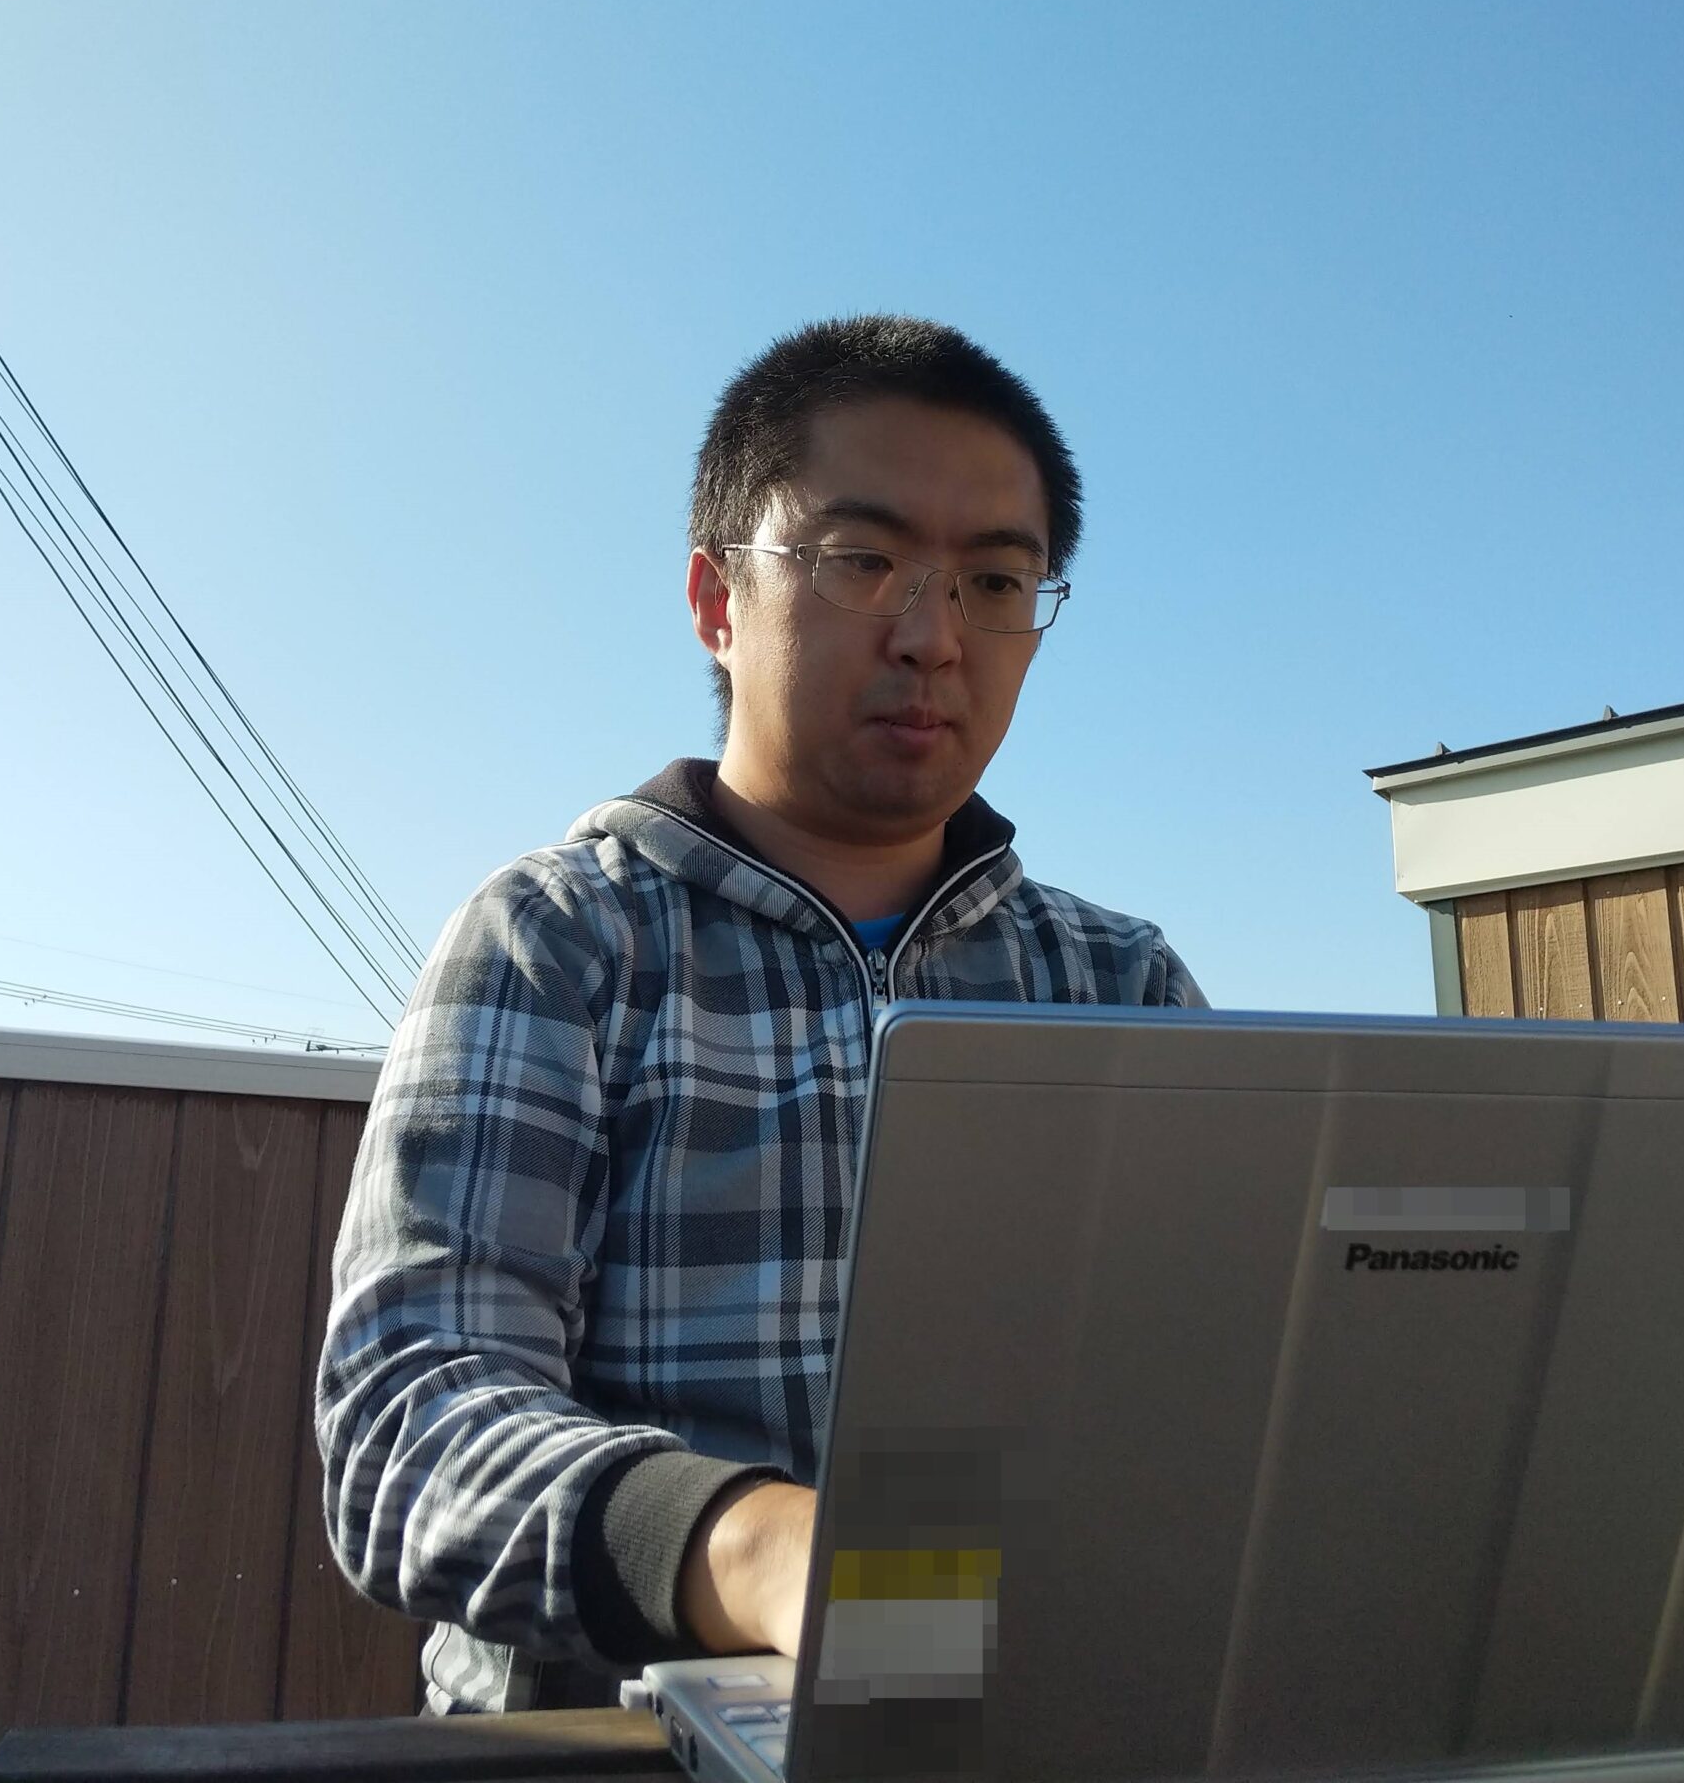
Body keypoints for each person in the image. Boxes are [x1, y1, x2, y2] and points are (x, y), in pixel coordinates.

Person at [318, 314, 1204, 1713]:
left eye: (995, 582)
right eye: (864, 561)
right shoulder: (563, 943)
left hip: (1035, 1720)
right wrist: (761, 1552)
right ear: (716, 599)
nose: (933, 638)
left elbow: (1226, 1398)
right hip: (620, 1738)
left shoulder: (1118, 989)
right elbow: (409, 1419)